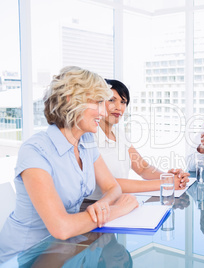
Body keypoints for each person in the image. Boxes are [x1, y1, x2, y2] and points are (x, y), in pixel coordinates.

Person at [0, 66, 138, 263]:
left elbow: (112, 187)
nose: (102, 111)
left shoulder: (86, 142)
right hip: (26, 256)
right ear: (70, 100)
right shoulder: (36, 150)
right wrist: (116, 210)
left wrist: (101, 207)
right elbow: (61, 227)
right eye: (98, 102)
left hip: (66, 248)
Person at [84, 79, 190, 203]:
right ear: (99, 102)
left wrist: (170, 177)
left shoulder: (119, 134)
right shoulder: (88, 137)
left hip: (120, 202)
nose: (119, 107)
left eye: (123, 102)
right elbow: (110, 184)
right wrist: (165, 183)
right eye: (112, 100)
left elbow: (142, 168)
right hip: (93, 205)